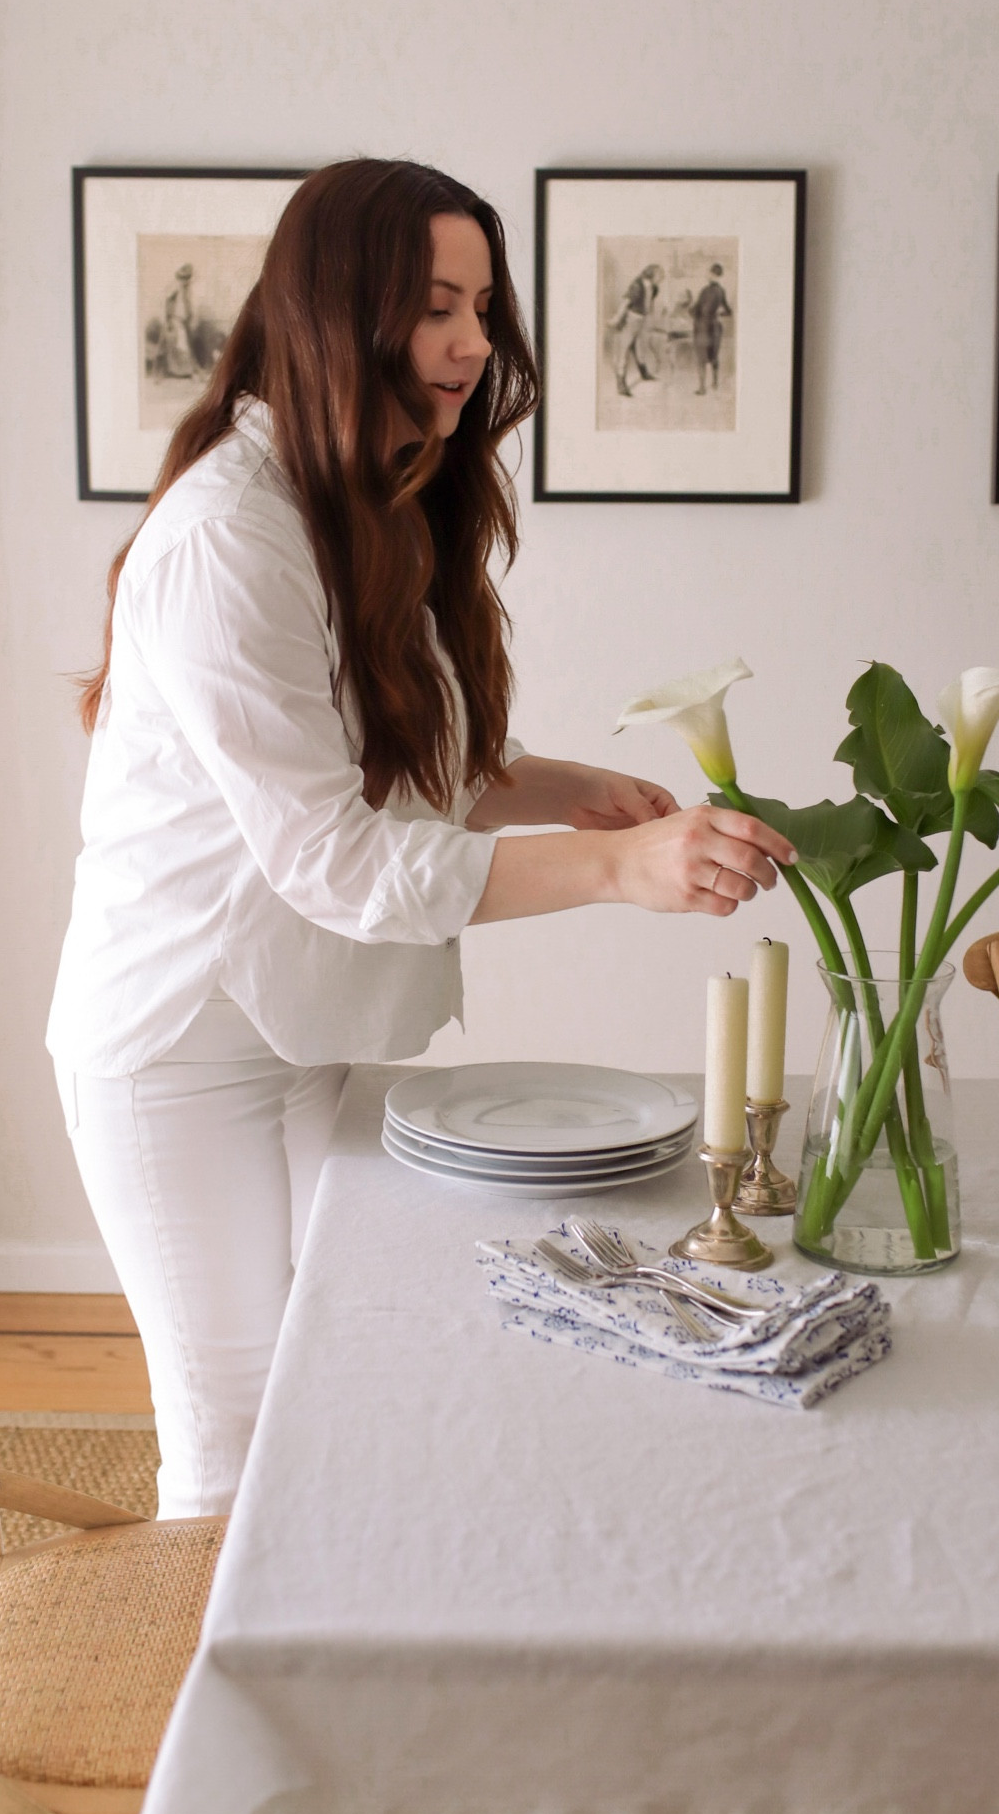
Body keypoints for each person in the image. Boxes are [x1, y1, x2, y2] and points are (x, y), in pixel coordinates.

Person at [48, 160, 794, 1517]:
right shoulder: (227, 536)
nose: (471, 344)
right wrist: (622, 871)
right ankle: (190, 1729)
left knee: (324, 1399)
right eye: (437, 306)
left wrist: (558, 789)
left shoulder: (357, 504)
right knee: (229, 1454)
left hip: (291, 1022)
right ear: (340, 310)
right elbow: (337, 857)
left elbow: (381, 763)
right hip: (177, 1048)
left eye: (482, 307)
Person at [608, 262, 662, 395]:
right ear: (651, 274)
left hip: (642, 319)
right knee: (624, 350)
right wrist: (616, 318)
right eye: (660, 275)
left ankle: (644, 373)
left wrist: (651, 319)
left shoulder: (655, 288)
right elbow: (626, 302)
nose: (662, 278)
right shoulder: (637, 285)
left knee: (640, 346)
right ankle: (621, 384)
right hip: (631, 319)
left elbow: (650, 304)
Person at [691, 263, 732, 395]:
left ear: (712, 274)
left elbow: (698, 309)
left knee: (701, 358)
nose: (706, 274)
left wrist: (690, 310)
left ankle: (702, 388)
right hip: (715, 327)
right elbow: (728, 311)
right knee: (714, 355)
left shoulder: (706, 290)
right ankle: (715, 383)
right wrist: (718, 314)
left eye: (708, 272)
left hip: (703, 326)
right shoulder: (721, 290)